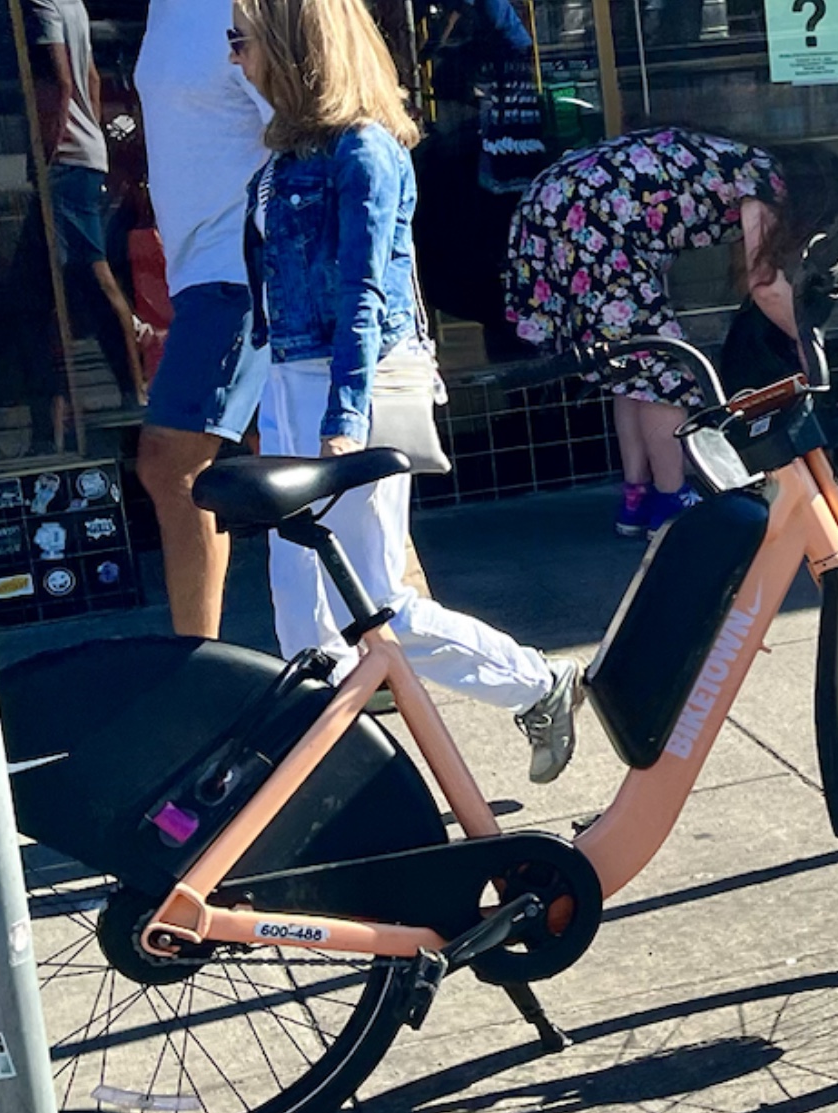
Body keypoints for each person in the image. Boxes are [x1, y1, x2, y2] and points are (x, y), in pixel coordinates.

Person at [230, 0, 581, 784]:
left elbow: (363, 292)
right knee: (300, 601)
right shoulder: (286, 160)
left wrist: (342, 418)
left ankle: (537, 681)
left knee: (376, 598)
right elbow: (270, 303)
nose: (234, 59)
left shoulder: (364, 151)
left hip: (359, 386)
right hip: (295, 383)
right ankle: (320, 773)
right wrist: (268, 406)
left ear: (291, 48)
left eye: (241, 41)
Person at [505, 129, 838, 535]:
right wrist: (805, 341)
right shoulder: (765, 180)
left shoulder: (736, 160)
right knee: (666, 372)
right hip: (595, 218)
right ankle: (672, 501)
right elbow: (765, 286)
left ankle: (637, 498)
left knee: (631, 365)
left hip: (559, 205)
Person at [132, 0, 274, 638]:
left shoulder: (242, 7)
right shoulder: (166, 10)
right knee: (288, 456)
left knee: (171, 462)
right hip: (200, 273)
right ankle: (394, 641)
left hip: (238, 272)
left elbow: (306, 130)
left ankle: (196, 665)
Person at [26, 0, 145, 406]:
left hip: (63, 160)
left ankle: (134, 391)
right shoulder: (70, 3)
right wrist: (94, 139)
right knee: (43, 290)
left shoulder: (38, 5)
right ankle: (52, 424)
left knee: (90, 275)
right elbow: (90, 78)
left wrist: (48, 152)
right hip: (84, 153)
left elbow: (59, 82)